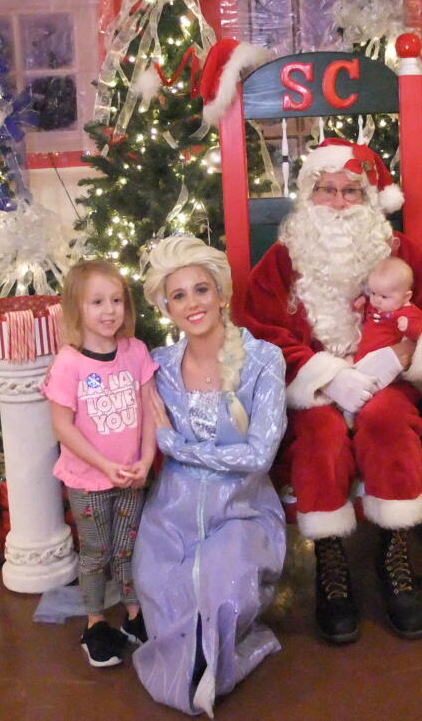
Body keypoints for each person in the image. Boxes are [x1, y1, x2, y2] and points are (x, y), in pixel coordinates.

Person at [240, 138, 422, 644]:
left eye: (351, 192)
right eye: (327, 190)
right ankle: (331, 562)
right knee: (319, 435)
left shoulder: (399, 252)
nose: (339, 203)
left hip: (387, 381)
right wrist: (323, 374)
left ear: (370, 200)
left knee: (388, 419)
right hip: (314, 389)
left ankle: (394, 551)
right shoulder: (282, 259)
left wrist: (404, 355)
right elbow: (257, 331)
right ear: (309, 195)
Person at [133, 235, 287, 717]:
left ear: (221, 293)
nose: (192, 304)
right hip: (170, 518)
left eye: (201, 289)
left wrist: (175, 444)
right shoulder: (157, 366)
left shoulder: (263, 360)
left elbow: (259, 455)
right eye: (178, 295)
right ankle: (196, 667)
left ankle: (209, 666)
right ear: (166, 307)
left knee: (218, 592)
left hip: (241, 515)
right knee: (166, 598)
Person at [41, 259, 159, 668]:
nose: (109, 310)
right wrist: (104, 465)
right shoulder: (69, 363)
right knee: (96, 551)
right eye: (97, 302)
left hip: (131, 476)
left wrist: (146, 458)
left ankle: (133, 613)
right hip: (88, 479)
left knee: (128, 547)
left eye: (116, 300)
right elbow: (62, 426)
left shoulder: (135, 351)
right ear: (77, 308)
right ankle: (94, 623)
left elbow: (149, 410)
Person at [353, 256, 422, 362]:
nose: (376, 300)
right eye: (373, 293)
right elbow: (362, 310)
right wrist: (362, 301)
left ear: (406, 297)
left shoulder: (407, 313)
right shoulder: (376, 305)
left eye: (384, 297)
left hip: (382, 360)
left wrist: (408, 326)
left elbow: (417, 333)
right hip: (362, 354)